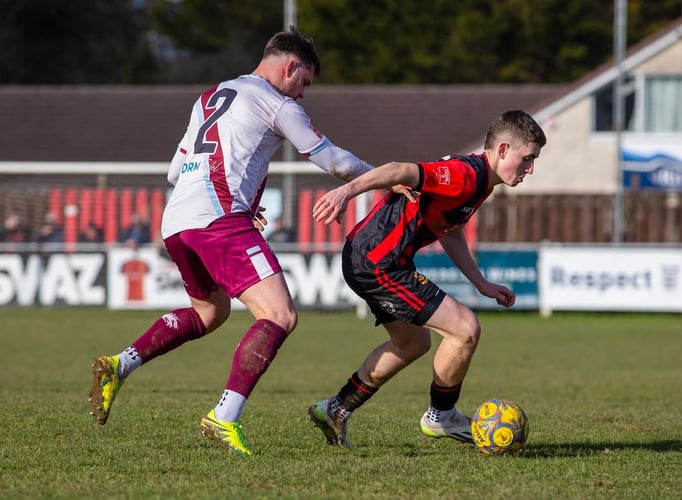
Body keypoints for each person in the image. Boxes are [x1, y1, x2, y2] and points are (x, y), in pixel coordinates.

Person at [88, 27, 408, 456]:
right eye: (305, 83)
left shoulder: (211, 96)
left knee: (209, 312)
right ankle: (224, 417)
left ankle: (119, 364)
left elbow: (173, 172)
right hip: (218, 218)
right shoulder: (275, 102)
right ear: (290, 67)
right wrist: (388, 179)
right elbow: (335, 161)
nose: (302, 95)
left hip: (178, 220)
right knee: (279, 314)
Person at [307, 109, 546, 447]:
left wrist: (482, 284)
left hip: (374, 258)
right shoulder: (464, 174)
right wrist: (345, 192)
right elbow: (396, 170)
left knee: (413, 343)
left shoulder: (481, 184)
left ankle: (335, 409)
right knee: (465, 329)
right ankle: (442, 416)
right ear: (504, 150)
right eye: (527, 159)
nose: (530, 169)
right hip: (378, 261)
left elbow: (450, 233)